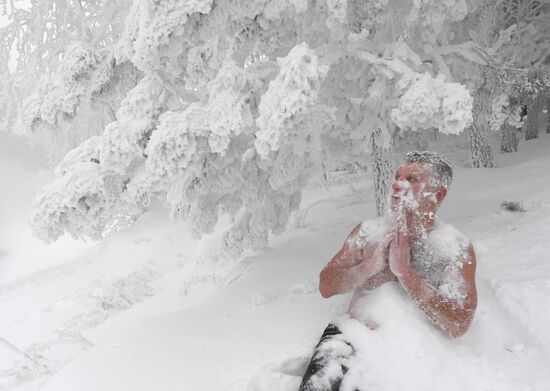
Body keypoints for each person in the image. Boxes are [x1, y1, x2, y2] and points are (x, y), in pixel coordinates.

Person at [299, 151, 477, 391]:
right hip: (350, 339)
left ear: (438, 194)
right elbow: (326, 286)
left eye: (412, 179)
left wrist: (405, 273)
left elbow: (458, 323)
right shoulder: (368, 233)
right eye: (397, 176)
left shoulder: (453, 248)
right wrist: (367, 267)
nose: (396, 184)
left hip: (408, 354)